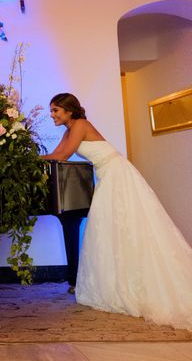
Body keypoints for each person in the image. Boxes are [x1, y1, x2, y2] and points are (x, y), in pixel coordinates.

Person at [41, 93, 192, 330]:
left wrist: (26, 158)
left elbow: (62, 156)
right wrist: (31, 158)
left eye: (55, 110)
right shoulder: (69, 130)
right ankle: (118, 283)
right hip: (106, 176)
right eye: (51, 111)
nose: (52, 115)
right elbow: (55, 156)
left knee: (126, 227)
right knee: (109, 230)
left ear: (69, 111)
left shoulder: (80, 124)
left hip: (116, 174)